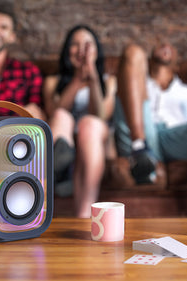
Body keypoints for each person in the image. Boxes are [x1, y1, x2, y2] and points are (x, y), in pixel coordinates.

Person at [115, 41, 187, 218]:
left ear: (178, 65)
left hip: (177, 138)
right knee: (133, 51)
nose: (164, 45)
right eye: (159, 44)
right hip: (143, 133)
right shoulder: (133, 79)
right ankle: (140, 151)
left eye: (171, 47)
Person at [43, 25, 116, 218]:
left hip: (93, 136)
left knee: (89, 124)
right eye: (75, 44)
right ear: (67, 50)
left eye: (87, 44)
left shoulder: (108, 81)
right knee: (60, 116)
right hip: (63, 137)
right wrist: (77, 79)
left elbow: (101, 115)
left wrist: (92, 78)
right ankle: (62, 166)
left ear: (97, 50)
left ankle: (84, 213)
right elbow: (54, 111)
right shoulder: (52, 81)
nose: (81, 50)